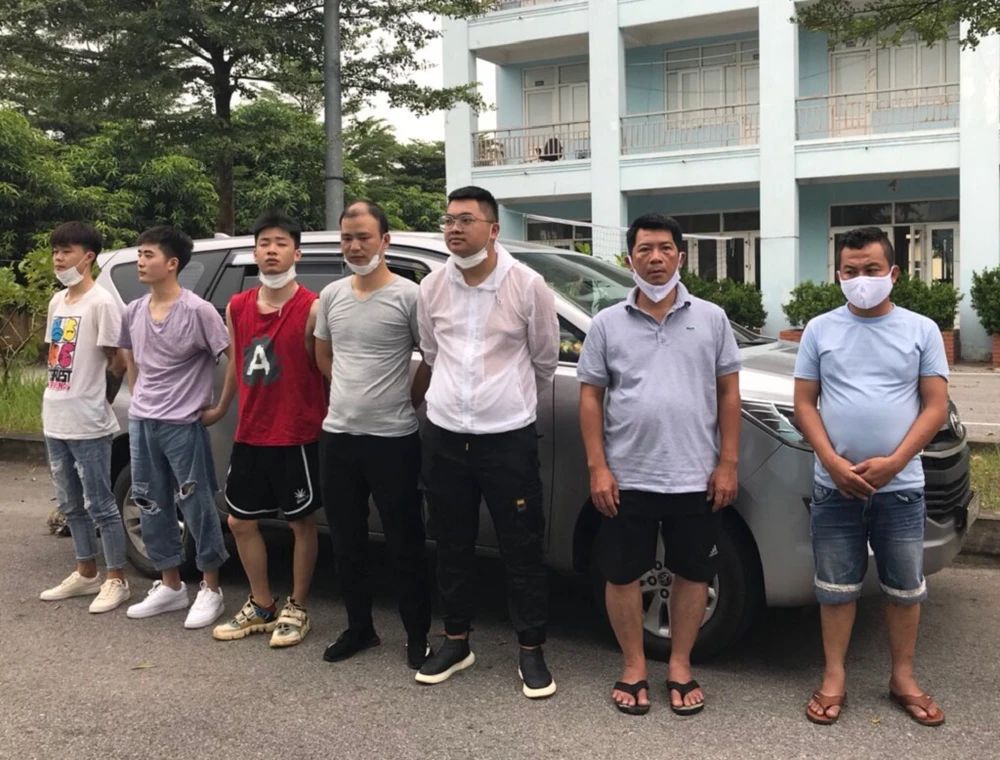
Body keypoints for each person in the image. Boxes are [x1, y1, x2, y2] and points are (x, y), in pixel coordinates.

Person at [577, 213, 741, 716]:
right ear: (629, 259)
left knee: (693, 573)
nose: (655, 258)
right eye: (644, 249)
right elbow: (590, 397)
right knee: (622, 574)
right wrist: (598, 468)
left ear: (681, 257)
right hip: (627, 476)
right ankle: (633, 666)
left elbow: (728, 392)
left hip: (696, 474)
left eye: (665, 248)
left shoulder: (711, 318)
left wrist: (728, 463)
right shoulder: (607, 323)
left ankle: (680, 665)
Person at [794, 226, 949, 727]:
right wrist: (832, 462)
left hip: (900, 488)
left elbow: (935, 405)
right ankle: (834, 676)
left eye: (871, 269)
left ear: (894, 273)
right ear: (838, 275)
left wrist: (895, 462)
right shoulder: (819, 329)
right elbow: (804, 403)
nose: (860, 279)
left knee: (905, 587)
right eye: (850, 271)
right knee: (834, 587)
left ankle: (902, 677)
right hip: (834, 486)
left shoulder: (921, 330)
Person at [415, 185, 560, 698]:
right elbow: (432, 352)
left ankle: (531, 648)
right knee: (450, 541)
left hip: (507, 439)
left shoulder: (527, 285)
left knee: (521, 545)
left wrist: (505, 402)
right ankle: (456, 640)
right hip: (445, 435)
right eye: (448, 220)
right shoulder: (432, 287)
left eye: (466, 220)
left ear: (494, 229)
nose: (454, 228)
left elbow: (545, 360)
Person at [314, 201, 434, 670]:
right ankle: (359, 628)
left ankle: (417, 634)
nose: (354, 246)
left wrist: (407, 399)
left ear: (385, 240)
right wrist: (349, 394)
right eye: (347, 238)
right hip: (339, 437)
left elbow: (431, 356)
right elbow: (324, 355)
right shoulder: (332, 295)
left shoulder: (410, 296)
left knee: (406, 542)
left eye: (364, 237)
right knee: (346, 543)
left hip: (394, 439)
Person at [202, 212, 326, 647]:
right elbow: (237, 362)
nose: (272, 250)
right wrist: (222, 407)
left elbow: (325, 368)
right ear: (254, 252)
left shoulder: (312, 306)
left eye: (281, 243)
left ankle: (298, 605)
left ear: (297, 252)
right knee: (239, 520)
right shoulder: (237, 306)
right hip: (251, 431)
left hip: (297, 432)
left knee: (301, 522)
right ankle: (261, 603)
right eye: (264, 243)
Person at [117, 226, 231, 629]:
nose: (140, 261)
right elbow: (129, 355)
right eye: (139, 254)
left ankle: (211, 588)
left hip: (183, 425)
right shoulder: (133, 310)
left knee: (196, 504)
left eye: (148, 255)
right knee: (149, 500)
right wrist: (137, 393)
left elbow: (232, 356)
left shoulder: (198, 310)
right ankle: (170, 584)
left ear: (172, 263)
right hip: (142, 421)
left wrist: (219, 408)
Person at [39, 222, 131, 614]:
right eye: (56, 251)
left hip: (89, 421)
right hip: (55, 416)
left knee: (100, 502)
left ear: (88, 256)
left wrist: (100, 401)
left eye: (67, 251)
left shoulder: (102, 303)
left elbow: (118, 361)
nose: (58, 259)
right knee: (70, 502)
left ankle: (116, 578)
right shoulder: (57, 302)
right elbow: (56, 357)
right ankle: (85, 571)